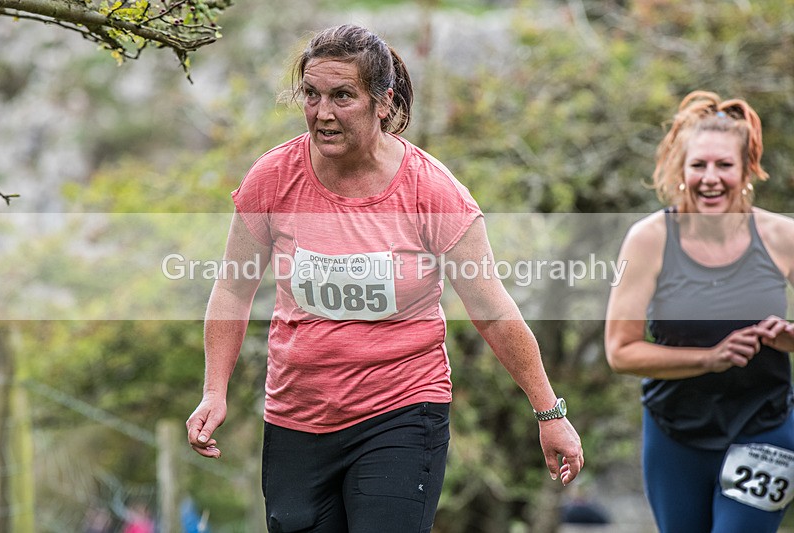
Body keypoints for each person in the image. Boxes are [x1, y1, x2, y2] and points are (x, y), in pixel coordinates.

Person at [186, 23, 583, 533]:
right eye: (312, 94)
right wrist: (214, 390)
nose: (322, 113)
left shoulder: (434, 193)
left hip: (402, 409)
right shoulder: (273, 177)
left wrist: (549, 414)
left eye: (342, 96)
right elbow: (233, 288)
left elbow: (494, 311)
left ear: (383, 102)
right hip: (297, 413)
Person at [605, 90, 794, 532]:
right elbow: (620, 352)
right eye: (699, 165)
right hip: (675, 431)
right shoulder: (648, 239)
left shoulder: (782, 236)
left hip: (765, 426)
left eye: (724, 165)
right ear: (681, 170)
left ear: (747, 169)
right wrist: (710, 358)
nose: (711, 178)